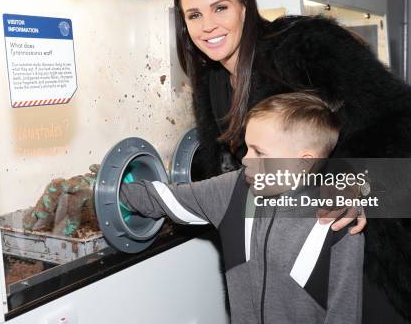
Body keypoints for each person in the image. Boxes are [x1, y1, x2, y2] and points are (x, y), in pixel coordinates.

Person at [171, 0, 411, 323]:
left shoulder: (303, 45)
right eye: (194, 15)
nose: (208, 26)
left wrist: (347, 179)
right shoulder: (211, 84)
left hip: (364, 249)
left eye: (219, 8)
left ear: (243, 5)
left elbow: (400, 116)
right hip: (287, 271)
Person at [120, 92, 364, 324]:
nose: (246, 159)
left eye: (259, 151)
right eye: (248, 147)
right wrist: (103, 190)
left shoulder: (338, 220)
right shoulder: (233, 191)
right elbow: (162, 197)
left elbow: (344, 313)